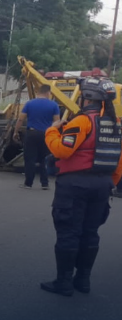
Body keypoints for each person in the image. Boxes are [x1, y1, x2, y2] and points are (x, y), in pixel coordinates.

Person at [41, 77, 122, 296]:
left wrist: (51, 131)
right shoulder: (116, 124)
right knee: (90, 232)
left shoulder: (82, 121)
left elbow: (62, 151)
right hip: (103, 184)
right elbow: (118, 161)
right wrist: (107, 183)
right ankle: (83, 280)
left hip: (75, 184)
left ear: (86, 98)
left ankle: (64, 282)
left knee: (69, 232)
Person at [14, 84, 61, 190]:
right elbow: (57, 122)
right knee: (43, 159)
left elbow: (20, 119)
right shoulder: (54, 105)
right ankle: (45, 183)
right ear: (48, 92)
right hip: (46, 134)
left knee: (30, 159)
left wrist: (15, 132)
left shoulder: (29, 103)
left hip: (31, 134)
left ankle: (28, 183)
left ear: (38, 92)